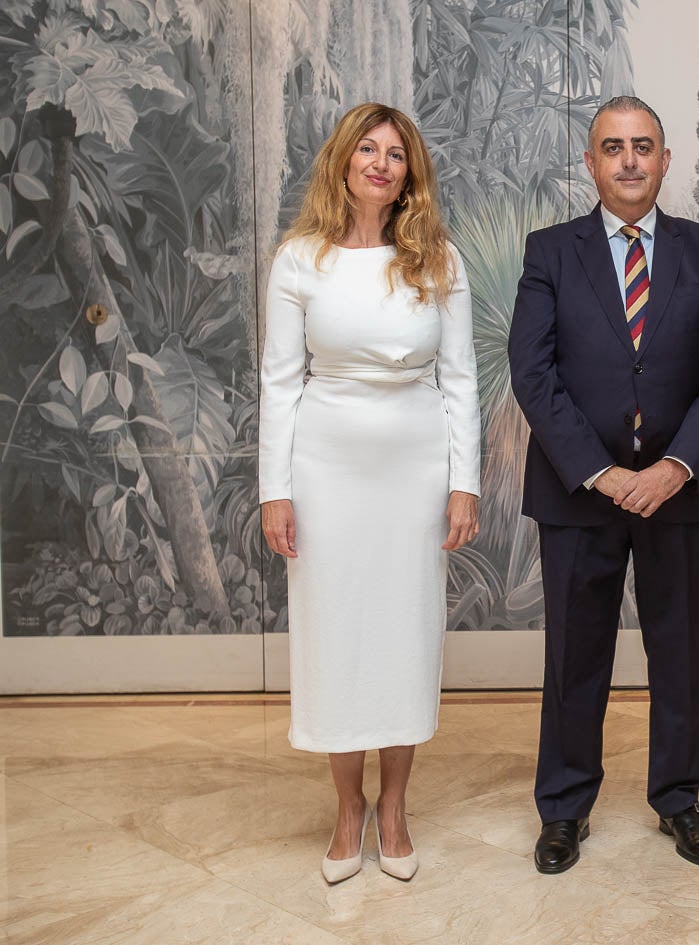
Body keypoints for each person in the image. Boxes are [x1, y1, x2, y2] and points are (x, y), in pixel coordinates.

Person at [508, 96, 699, 874]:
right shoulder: (550, 251)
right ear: (590, 162)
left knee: (678, 652)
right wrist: (604, 472)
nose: (630, 160)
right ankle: (564, 807)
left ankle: (678, 798)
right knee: (575, 657)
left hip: (682, 491)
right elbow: (532, 372)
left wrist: (674, 468)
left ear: (666, 160)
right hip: (580, 493)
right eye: (613, 147)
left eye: (644, 145)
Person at [259, 102, 480, 884]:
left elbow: (460, 379)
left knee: (401, 632)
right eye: (368, 150)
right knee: (335, 633)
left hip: (415, 469)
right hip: (325, 471)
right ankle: (347, 807)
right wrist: (274, 490)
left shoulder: (436, 259)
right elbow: (281, 382)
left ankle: (394, 807)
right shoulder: (298, 260)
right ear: (343, 163)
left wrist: (463, 483)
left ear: (408, 173)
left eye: (396, 154)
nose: (382, 163)